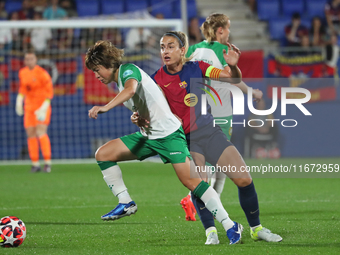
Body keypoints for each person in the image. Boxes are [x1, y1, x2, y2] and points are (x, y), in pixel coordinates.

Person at [85, 40, 244, 245]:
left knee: (193, 183)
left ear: (108, 64)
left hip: (169, 135)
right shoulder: (119, 83)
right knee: (103, 154)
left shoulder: (127, 71)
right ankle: (125, 202)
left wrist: (105, 107)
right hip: (149, 136)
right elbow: (143, 104)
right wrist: (139, 118)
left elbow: (132, 90)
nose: (96, 75)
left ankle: (231, 225)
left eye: (97, 69)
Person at [133, 29, 282, 244]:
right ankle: (211, 232)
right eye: (162, 47)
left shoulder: (198, 68)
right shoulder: (157, 80)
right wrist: (139, 118)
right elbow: (147, 111)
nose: (165, 51)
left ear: (182, 50)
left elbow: (232, 78)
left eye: (170, 46)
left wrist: (232, 65)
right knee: (201, 184)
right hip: (185, 139)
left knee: (244, 179)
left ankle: (257, 229)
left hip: (209, 132)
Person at [15, 50, 53, 173]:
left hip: (42, 107)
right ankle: (35, 163)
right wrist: (19, 99)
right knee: (30, 133)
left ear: (36, 60)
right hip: (29, 108)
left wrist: (44, 106)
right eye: (27, 59)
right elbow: (23, 88)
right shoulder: (23, 73)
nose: (29, 61)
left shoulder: (42, 73)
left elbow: (49, 92)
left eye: (31, 59)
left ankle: (47, 162)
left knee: (41, 131)